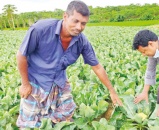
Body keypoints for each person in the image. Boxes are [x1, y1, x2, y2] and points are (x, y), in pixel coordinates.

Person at [16, 0, 122, 128]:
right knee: (29, 119)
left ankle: (49, 124)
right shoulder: (41, 29)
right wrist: (25, 84)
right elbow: (21, 55)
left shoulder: (81, 41)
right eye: (75, 21)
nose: (79, 27)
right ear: (65, 16)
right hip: (36, 79)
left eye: (83, 23)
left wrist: (112, 91)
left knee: (67, 111)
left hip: (59, 80)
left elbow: (97, 67)